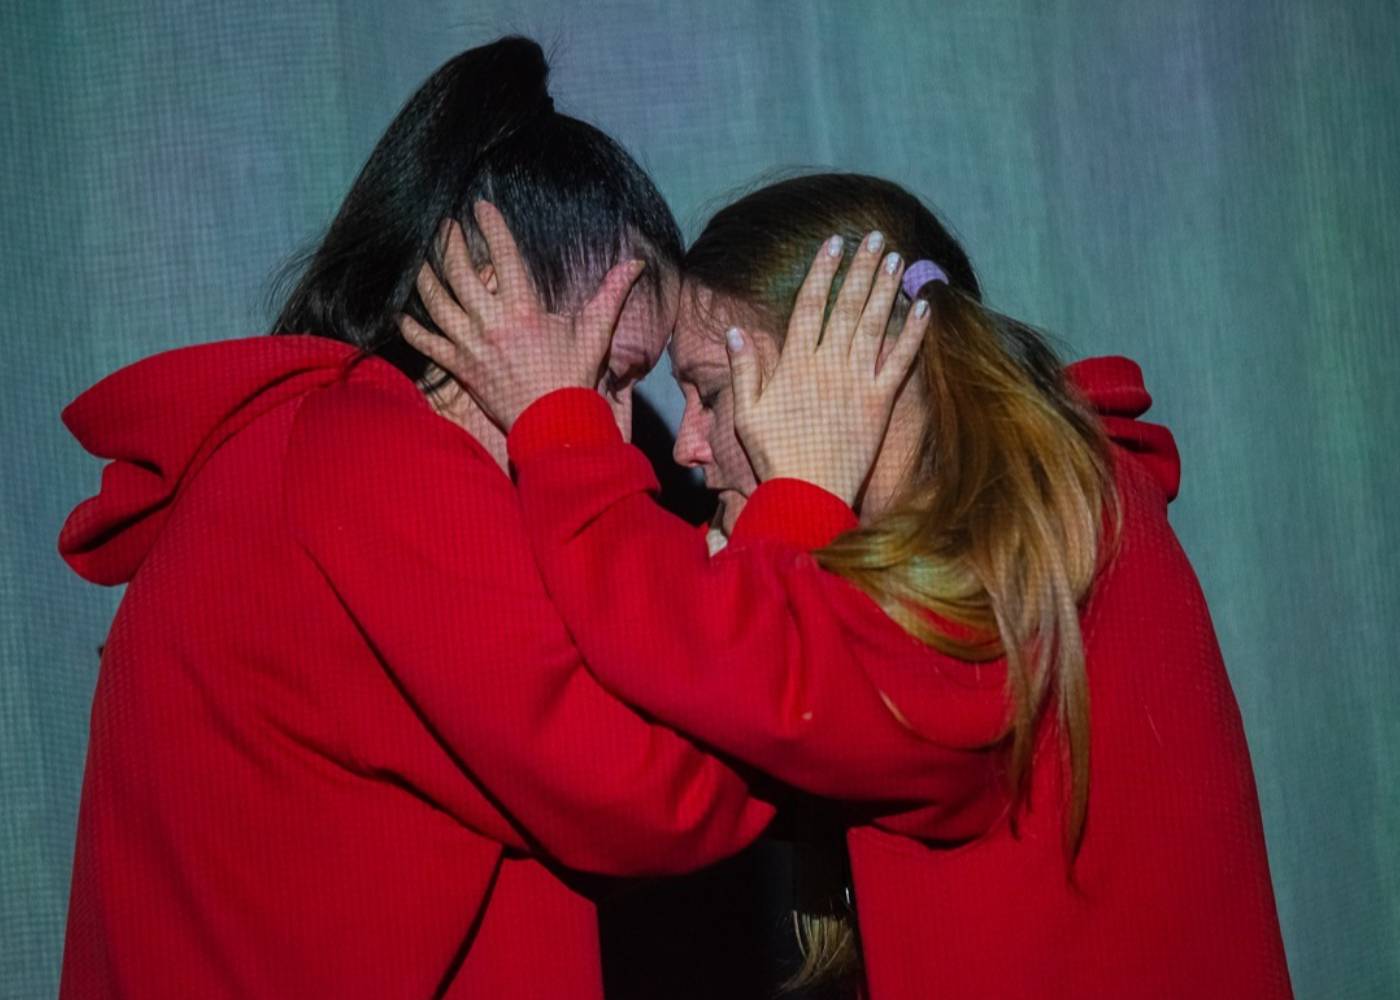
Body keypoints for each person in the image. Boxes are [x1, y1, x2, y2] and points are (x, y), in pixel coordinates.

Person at [406, 173, 1295, 999]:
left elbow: (754, 679)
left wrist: (558, 423)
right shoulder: (1062, 499)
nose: (686, 444)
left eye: (712, 392)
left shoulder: (1021, 544)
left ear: (844, 368)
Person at [55, 37, 777, 998]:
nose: (622, 436)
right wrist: (796, 538)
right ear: (488, 303)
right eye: (607, 375)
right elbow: (663, 793)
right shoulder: (371, 459)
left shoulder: (291, 447)